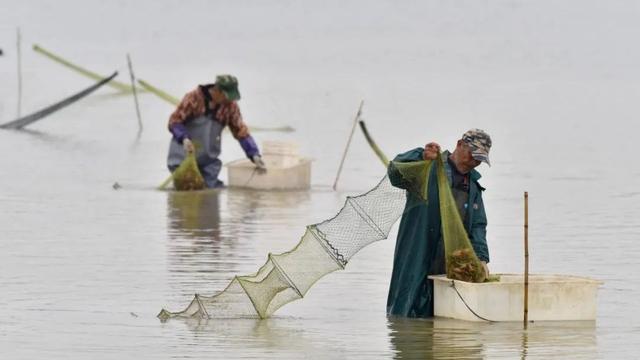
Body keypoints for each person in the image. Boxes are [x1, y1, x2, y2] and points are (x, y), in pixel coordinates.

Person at [386, 128, 492, 317]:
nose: (475, 162)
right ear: (460, 145)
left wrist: (482, 259)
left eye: (480, 159)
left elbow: (478, 226)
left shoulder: (474, 187)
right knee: (406, 313)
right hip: (417, 254)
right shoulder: (429, 167)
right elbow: (395, 173)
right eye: (473, 155)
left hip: (449, 264)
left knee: (444, 315)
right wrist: (420, 156)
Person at [167, 74, 266, 188]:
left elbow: (240, 131)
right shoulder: (193, 99)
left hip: (208, 161)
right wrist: (184, 138)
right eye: (226, 96)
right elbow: (174, 121)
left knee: (211, 195)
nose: (229, 100)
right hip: (183, 157)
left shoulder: (230, 107)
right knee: (187, 194)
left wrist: (254, 154)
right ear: (217, 90)